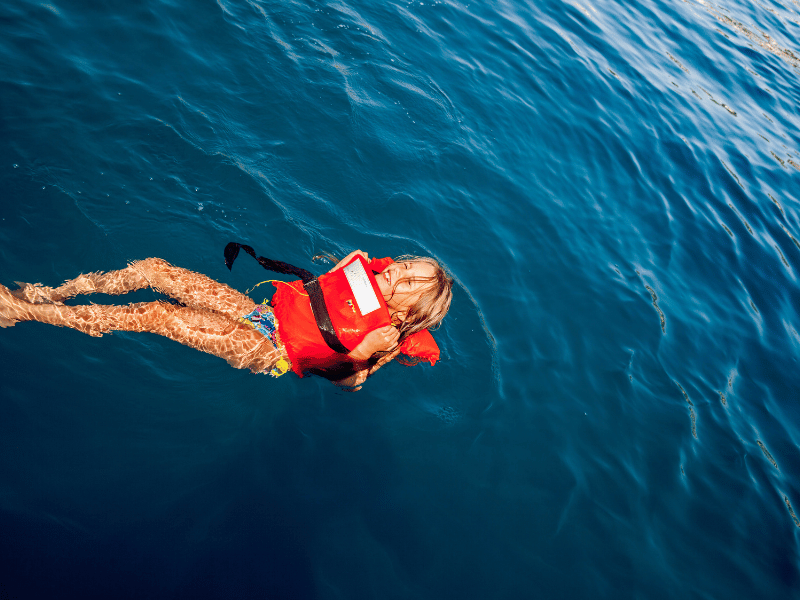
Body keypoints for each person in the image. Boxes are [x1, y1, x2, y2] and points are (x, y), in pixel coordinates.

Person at [0, 250, 452, 390]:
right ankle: (48, 293)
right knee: (156, 270)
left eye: (410, 280)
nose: (399, 270)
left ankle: (21, 311)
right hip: (263, 315)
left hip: (271, 351)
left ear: (411, 311)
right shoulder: (363, 283)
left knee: (155, 315)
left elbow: (348, 383)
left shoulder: (388, 338)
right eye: (408, 265)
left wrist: (360, 356)